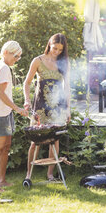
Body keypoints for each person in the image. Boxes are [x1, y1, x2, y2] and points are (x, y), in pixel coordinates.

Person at [23, 33, 71, 181]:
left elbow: (67, 86)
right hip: (40, 106)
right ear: (49, 44)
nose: (56, 52)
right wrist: (26, 100)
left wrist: (68, 108)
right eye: (55, 48)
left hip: (58, 106)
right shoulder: (37, 61)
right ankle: (28, 174)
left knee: (54, 140)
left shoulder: (64, 63)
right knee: (35, 141)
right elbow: (27, 83)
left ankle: (50, 174)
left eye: (60, 50)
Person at [0, 41, 28, 193]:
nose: (17, 59)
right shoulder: (3, 68)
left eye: (19, 57)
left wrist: (3, 105)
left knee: (6, 148)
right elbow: (0, 93)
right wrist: (17, 108)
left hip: (4, 113)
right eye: (16, 56)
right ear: (7, 52)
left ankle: (2, 180)